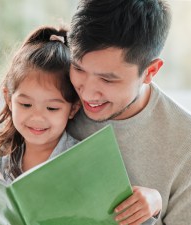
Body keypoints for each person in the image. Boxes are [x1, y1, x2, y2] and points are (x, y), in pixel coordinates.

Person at [67, 0, 191, 225]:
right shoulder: (57, 97)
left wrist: (152, 210)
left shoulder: (186, 145)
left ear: (150, 72)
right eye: (78, 68)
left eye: (107, 79)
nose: (86, 93)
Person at [0, 25, 80, 183]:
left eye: (52, 108)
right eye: (26, 105)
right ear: (9, 99)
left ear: (73, 108)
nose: (37, 117)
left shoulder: (82, 160)